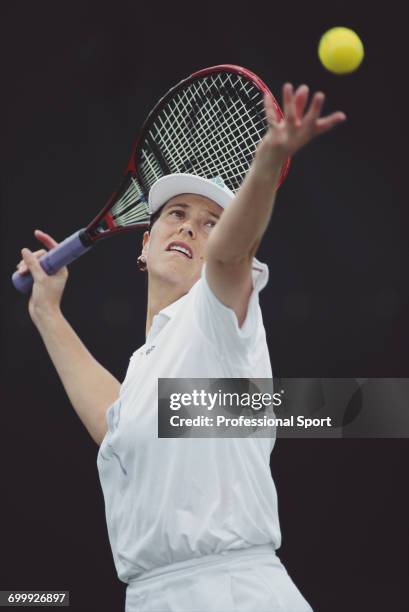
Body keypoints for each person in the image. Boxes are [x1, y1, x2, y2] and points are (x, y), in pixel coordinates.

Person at [17, 83, 346, 611]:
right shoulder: (152, 361)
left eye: (210, 223)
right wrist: (47, 312)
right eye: (177, 214)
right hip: (155, 595)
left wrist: (268, 163)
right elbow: (115, 423)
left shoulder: (216, 321)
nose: (192, 228)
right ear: (144, 244)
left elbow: (230, 256)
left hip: (231, 593)